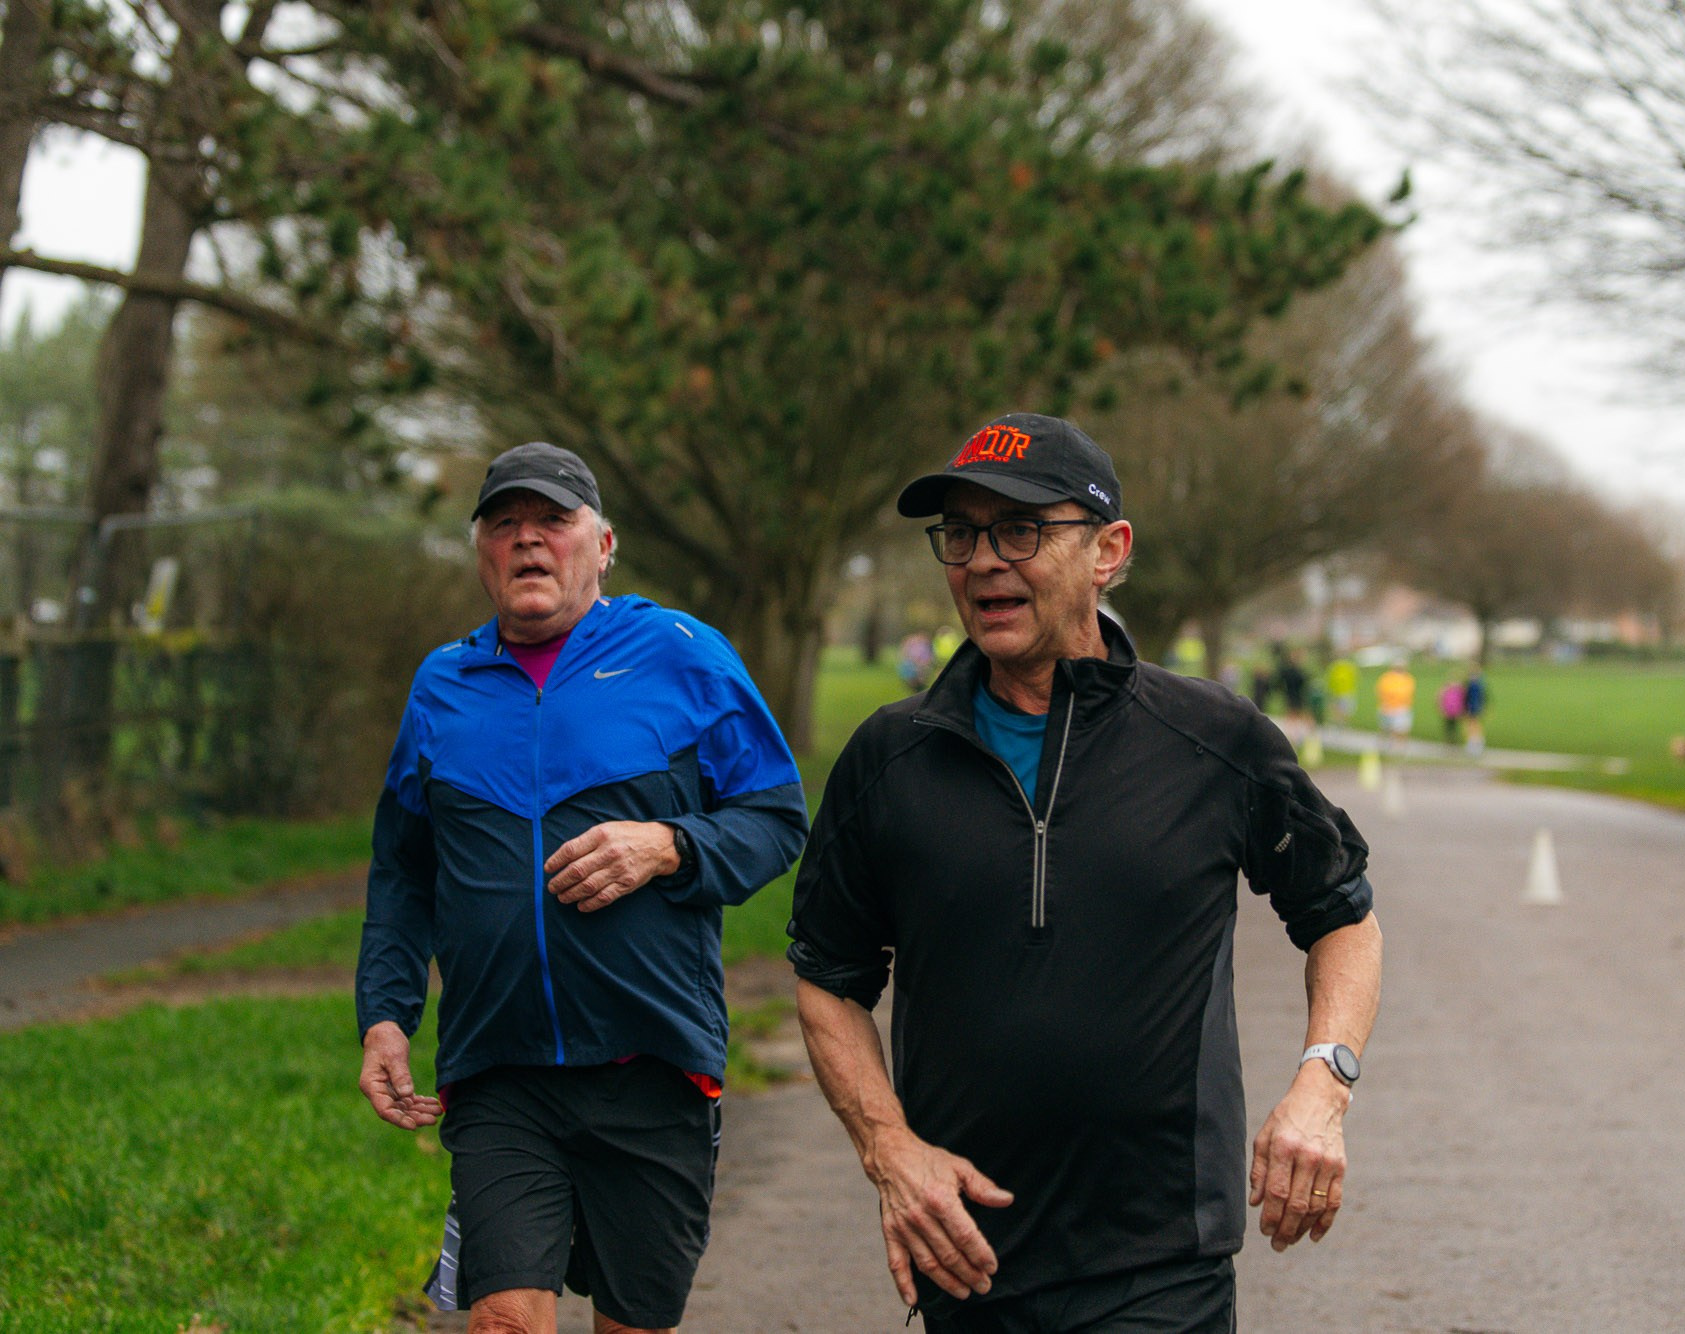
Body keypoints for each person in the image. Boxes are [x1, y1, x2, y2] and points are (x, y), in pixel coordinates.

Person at [787, 413, 1382, 1332]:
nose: (983, 560)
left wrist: (1322, 1081)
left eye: (1020, 530)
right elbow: (828, 979)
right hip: (967, 1257)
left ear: (1108, 551)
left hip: (1160, 1260)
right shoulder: (887, 760)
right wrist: (889, 1150)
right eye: (962, 533)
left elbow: (1343, 913)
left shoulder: (1212, 740)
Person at [355, 442, 810, 1334]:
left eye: (552, 521)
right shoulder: (442, 686)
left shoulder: (684, 656)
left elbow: (776, 817)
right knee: (503, 1320)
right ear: (480, 549)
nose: (528, 541)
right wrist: (385, 1013)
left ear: (602, 544)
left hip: (651, 1064)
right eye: (504, 524)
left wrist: (671, 845)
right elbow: (404, 872)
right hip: (500, 1071)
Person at [1375, 657, 1416, 754]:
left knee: (1401, 729)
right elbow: (1381, 691)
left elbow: (1408, 692)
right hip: (1388, 707)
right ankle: (1384, 747)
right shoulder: (1387, 678)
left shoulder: (1407, 678)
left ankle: (1400, 748)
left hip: (1402, 707)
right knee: (1386, 728)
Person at [1462, 663, 1489, 758]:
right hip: (1477, 707)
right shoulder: (1480, 684)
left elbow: (1469, 698)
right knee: (1474, 724)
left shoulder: (1473, 685)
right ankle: (1476, 743)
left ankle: (1474, 743)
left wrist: (1468, 708)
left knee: (1472, 725)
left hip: (1473, 708)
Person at [1326, 655, 1359, 725]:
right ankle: (1341, 722)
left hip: (1345, 692)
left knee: (1344, 710)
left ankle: (1342, 722)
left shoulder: (1346, 668)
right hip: (1340, 693)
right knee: (1340, 709)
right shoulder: (1336, 668)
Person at [1438, 676, 1466, 746]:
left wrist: (1462, 710)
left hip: (1456, 712)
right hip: (1448, 711)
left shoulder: (1459, 690)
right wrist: (1442, 709)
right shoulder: (1446, 689)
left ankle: (1454, 741)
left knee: (1454, 726)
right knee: (1448, 727)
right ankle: (1448, 740)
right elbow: (1440, 698)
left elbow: (1463, 700)